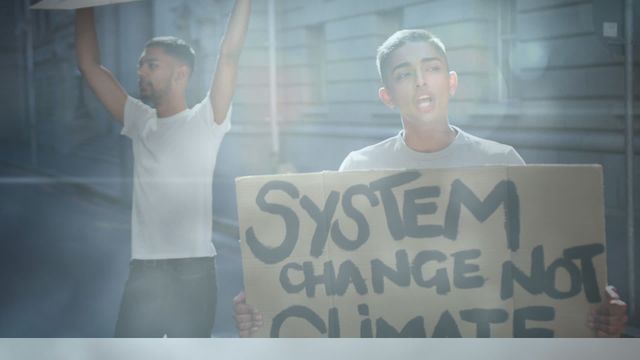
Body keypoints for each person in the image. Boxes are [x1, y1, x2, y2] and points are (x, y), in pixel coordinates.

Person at [233, 29, 628, 338]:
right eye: (404, 74)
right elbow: (331, 275)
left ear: (451, 82)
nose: (420, 81)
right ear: (388, 96)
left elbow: (545, 261)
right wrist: (266, 306)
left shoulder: (502, 162)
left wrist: (592, 303)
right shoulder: (359, 167)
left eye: (432, 68)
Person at [75, 0, 251, 337]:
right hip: (145, 271)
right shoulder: (139, 120)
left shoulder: (206, 120)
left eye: (151, 65)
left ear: (181, 73)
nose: (140, 72)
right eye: (141, 65)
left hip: (194, 273)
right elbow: (90, 65)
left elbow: (229, 54)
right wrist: (83, 5)